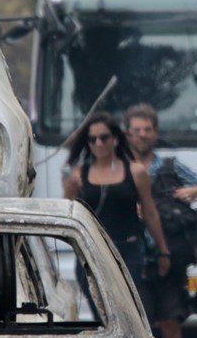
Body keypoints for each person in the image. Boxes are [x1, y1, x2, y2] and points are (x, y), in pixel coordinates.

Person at [122, 103, 197, 338]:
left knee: (171, 321)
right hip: (132, 257)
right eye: (136, 131)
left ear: (155, 133)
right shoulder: (117, 169)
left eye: (147, 130)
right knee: (138, 325)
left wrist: (193, 191)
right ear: (127, 134)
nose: (142, 136)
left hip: (168, 257)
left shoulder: (169, 167)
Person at [62, 111, 172, 305]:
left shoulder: (136, 172)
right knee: (101, 312)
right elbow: (68, 213)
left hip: (128, 250)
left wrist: (163, 250)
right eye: (92, 139)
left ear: (115, 138)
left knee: (127, 308)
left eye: (104, 137)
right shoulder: (78, 174)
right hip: (91, 251)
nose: (99, 143)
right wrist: (69, 192)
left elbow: (149, 211)